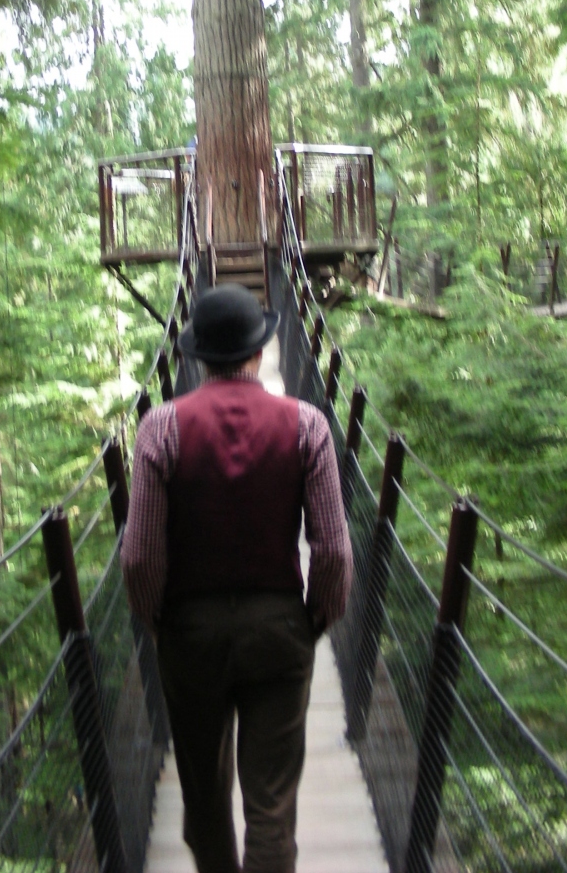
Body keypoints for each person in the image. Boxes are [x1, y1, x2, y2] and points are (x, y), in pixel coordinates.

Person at [121, 284, 352, 873]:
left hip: (190, 633)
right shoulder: (308, 425)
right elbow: (333, 550)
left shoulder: (160, 428)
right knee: (271, 809)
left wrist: (160, 623)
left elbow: (140, 557)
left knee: (203, 803)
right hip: (279, 628)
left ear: (198, 357)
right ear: (259, 350)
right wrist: (314, 621)